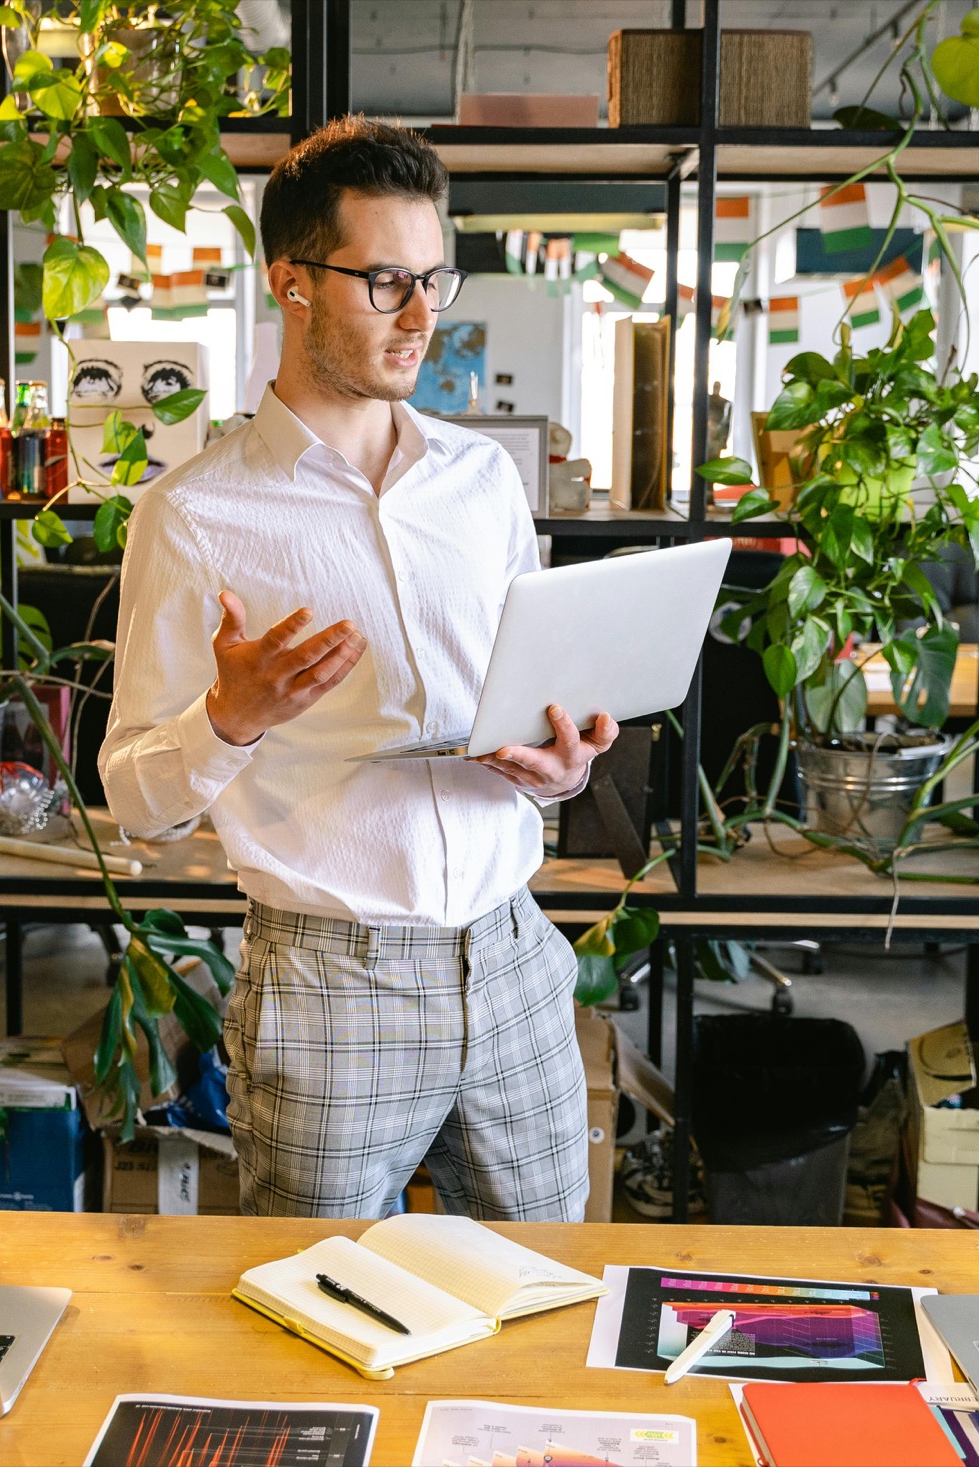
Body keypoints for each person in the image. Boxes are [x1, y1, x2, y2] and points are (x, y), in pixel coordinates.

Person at [100, 116, 617, 1222]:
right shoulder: (194, 515)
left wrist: (562, 767)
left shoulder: (482, 481)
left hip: (514, 954)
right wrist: (227, 720)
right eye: (387, 282)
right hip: (331, 982)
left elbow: (537, 710)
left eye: (435, 278)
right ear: (290, 282)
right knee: (318, 1322)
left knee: (545, 1295)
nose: (423, 316)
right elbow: (134, 798)